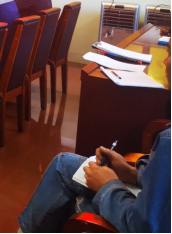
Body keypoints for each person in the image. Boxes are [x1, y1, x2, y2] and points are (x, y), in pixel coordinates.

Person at [17, 39, 171, 233]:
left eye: (170, 54)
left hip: (135, 217)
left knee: (67, 200)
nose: (165, 61)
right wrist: (131, 173)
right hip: (148, 204)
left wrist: (108, 185)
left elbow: (143, 226)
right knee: (62, 164)